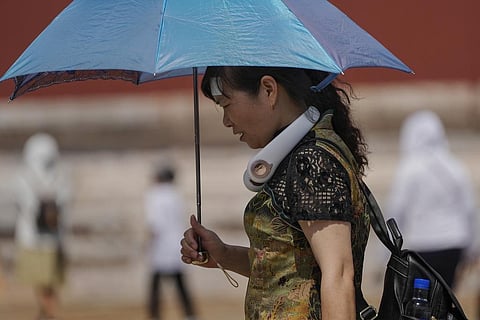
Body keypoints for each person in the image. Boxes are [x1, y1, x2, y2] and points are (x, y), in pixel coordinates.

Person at [180, 66, 373, 320]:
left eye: (225, 104)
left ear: (268, 90)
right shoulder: (305, 155)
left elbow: (338, 274)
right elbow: (288, 270)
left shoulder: (311, 162)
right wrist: (223, 254)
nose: (226, 120)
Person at [386, 110, 479, 289]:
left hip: (423, 246)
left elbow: (396, 210)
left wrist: (388, 253)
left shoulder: (409, 169)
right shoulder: (455, 166)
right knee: (446, 298)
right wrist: (472, 249)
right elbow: (469, 209)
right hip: (454, 244)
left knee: (423, 303)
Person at [13, 133, 71, 320]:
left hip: (44, 240)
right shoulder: (29, 179)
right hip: (36, 239)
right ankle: (46, 312)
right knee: (42, 283)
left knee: (47, 284)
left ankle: (49, 313)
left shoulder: (57, 178)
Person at [145, 164, 197, 320]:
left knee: (155, 282)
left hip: (161, 243)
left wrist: (148, 243)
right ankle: (190, 314)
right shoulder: (176, 194)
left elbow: (155, 223)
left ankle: (154, 315)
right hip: (176, 241)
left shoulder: (154, 195)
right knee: (179, 281)